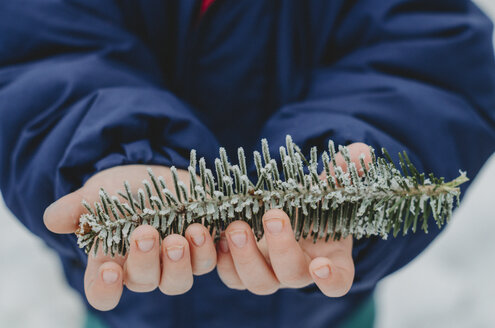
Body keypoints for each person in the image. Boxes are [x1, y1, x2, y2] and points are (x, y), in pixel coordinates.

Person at [1, 1, 494, 327]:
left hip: (320, 305)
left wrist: (347, 169)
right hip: (135, 302)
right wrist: (105, 152)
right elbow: (37, 54)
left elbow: (428, 61)